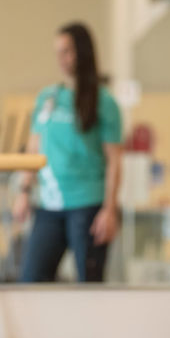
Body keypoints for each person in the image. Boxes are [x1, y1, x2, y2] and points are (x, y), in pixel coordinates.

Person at [13, 23, 123, 283]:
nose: (61, 59)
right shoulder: (47, 98)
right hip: (49, 206)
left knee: (89, 285)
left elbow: (115, 162)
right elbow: (33, 148)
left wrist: (110, 209)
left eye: (67, 52)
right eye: (58, 53)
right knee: (31, 281)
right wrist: (23, 192)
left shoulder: (104, 102)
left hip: (88, 206)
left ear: (82, 52)